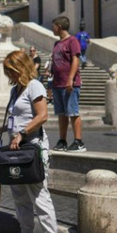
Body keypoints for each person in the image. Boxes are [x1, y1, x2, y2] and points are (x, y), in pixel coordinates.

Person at [0, 51, 63, 233]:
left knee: (39, 195)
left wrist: (22, 133)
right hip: (17, 148)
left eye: (10, 71)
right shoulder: (16, 90)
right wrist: (3, 128)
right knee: (20, 195)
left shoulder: (35, 86)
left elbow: (42, 116)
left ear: (20, 67)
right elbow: (19, 116)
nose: (8, 75)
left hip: (32, 147)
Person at [50, 17, 85, 152]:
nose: (52, 28)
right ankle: (62, 140)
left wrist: (70, 79)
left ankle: (78, 141)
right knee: (62, 113)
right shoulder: (56, 44)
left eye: (53, 26)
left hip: (70, 83)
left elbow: (76, 60)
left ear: (59, 26)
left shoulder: (72, 41)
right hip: (58, 83)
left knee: (73, 112)